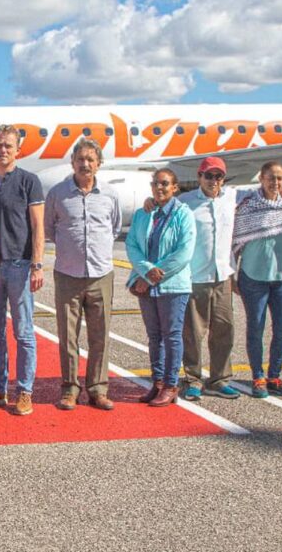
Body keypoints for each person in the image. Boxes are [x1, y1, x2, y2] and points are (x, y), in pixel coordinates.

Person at [0, 124, 45, 416]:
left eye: (8, 146)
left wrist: (37, 264)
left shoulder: (29, 181)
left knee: (24, 332)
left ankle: (24, 390)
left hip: (20, 265)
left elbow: (38, 227)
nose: (3, 150)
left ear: (18, 150)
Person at [44, 138, 122, 411]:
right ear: (72, 162)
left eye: (91, 159)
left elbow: (114, 228)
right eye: (80, 159)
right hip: (68, 274)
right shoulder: (57, 194)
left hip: (101, 273)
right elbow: (50, 229)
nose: (85, 164)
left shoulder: (110, 195)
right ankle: (69, 389)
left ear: (99, 164)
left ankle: (98, 389)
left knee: (100, 336)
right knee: (68, 336)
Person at [126, 168, 195, 406]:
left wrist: (153, 275)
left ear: (175, 187)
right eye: (156, 183)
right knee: (154, 336)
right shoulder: (143, 213)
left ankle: (171, 384)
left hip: (173, 286)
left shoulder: (183, 214)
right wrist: (145, 271)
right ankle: (157, 382)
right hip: (147, 285)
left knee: (172, 335)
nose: (160, 188)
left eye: (165, 184)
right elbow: (132, 245)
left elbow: (184, 252)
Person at [177, 157, 245, 401]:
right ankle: (193, 379)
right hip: (196, 276)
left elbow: (265, 191)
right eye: (208, 176)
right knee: (193, 333)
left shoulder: (231, 197)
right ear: (199, 177)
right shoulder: (185, 203)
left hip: (222, 275)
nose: (213, 181)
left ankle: (219, 379)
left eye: (218, 176)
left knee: (224, 330)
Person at [232, 161, 282, 399]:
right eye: (271, 177)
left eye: (280, 178)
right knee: (256, 328)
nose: (276, 182)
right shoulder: (248, 205)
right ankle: (257, 376)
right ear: (261, 178)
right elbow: (236, 242)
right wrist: (233, 274)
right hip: (254, 276)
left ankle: (274, 375)